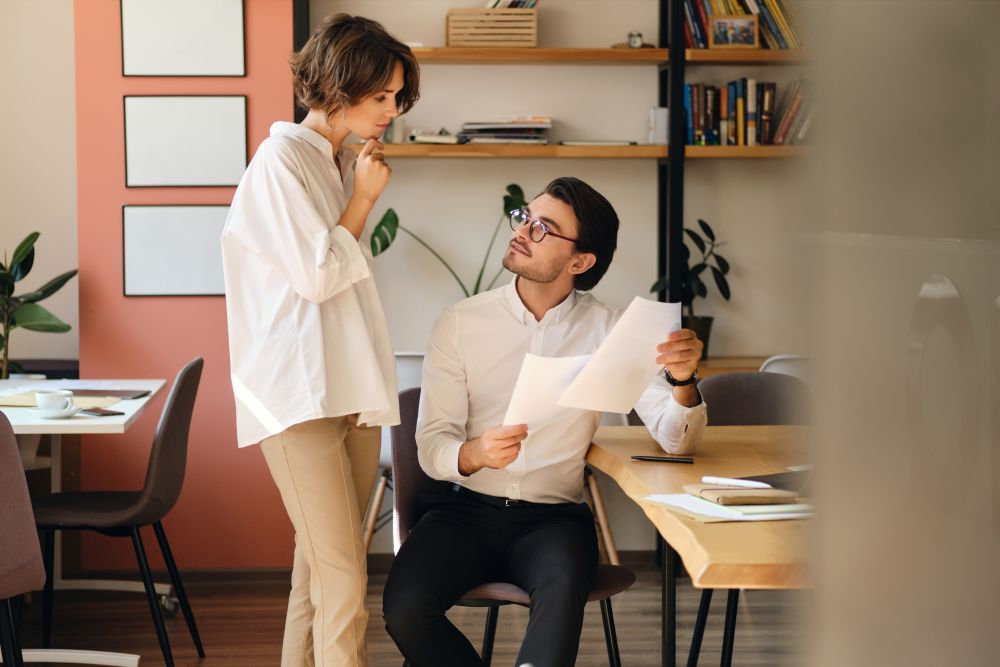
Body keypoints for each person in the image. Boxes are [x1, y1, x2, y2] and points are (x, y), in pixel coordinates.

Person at [382, 177, 708, 667]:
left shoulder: (613, 331)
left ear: (580, 261)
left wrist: (684, 380)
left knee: (550, 647)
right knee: (404, 611)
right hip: (462, 512)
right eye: (525, 218)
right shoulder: (460, 322)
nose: (523, 231)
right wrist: (473, 454)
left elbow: (674, 436)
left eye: (543, 228)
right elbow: (432, 444)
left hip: (553, 520)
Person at [220, 14, 419, 667]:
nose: (392, 110)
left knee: (321, 568)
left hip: (344, 388)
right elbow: (317, 274)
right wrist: (362, 201)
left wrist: (354, 191)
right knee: (343, 580)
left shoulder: (332, 160)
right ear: (339, 84)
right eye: (381, 96)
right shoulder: (280, 161)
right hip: (298, 394)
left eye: (397, 97)